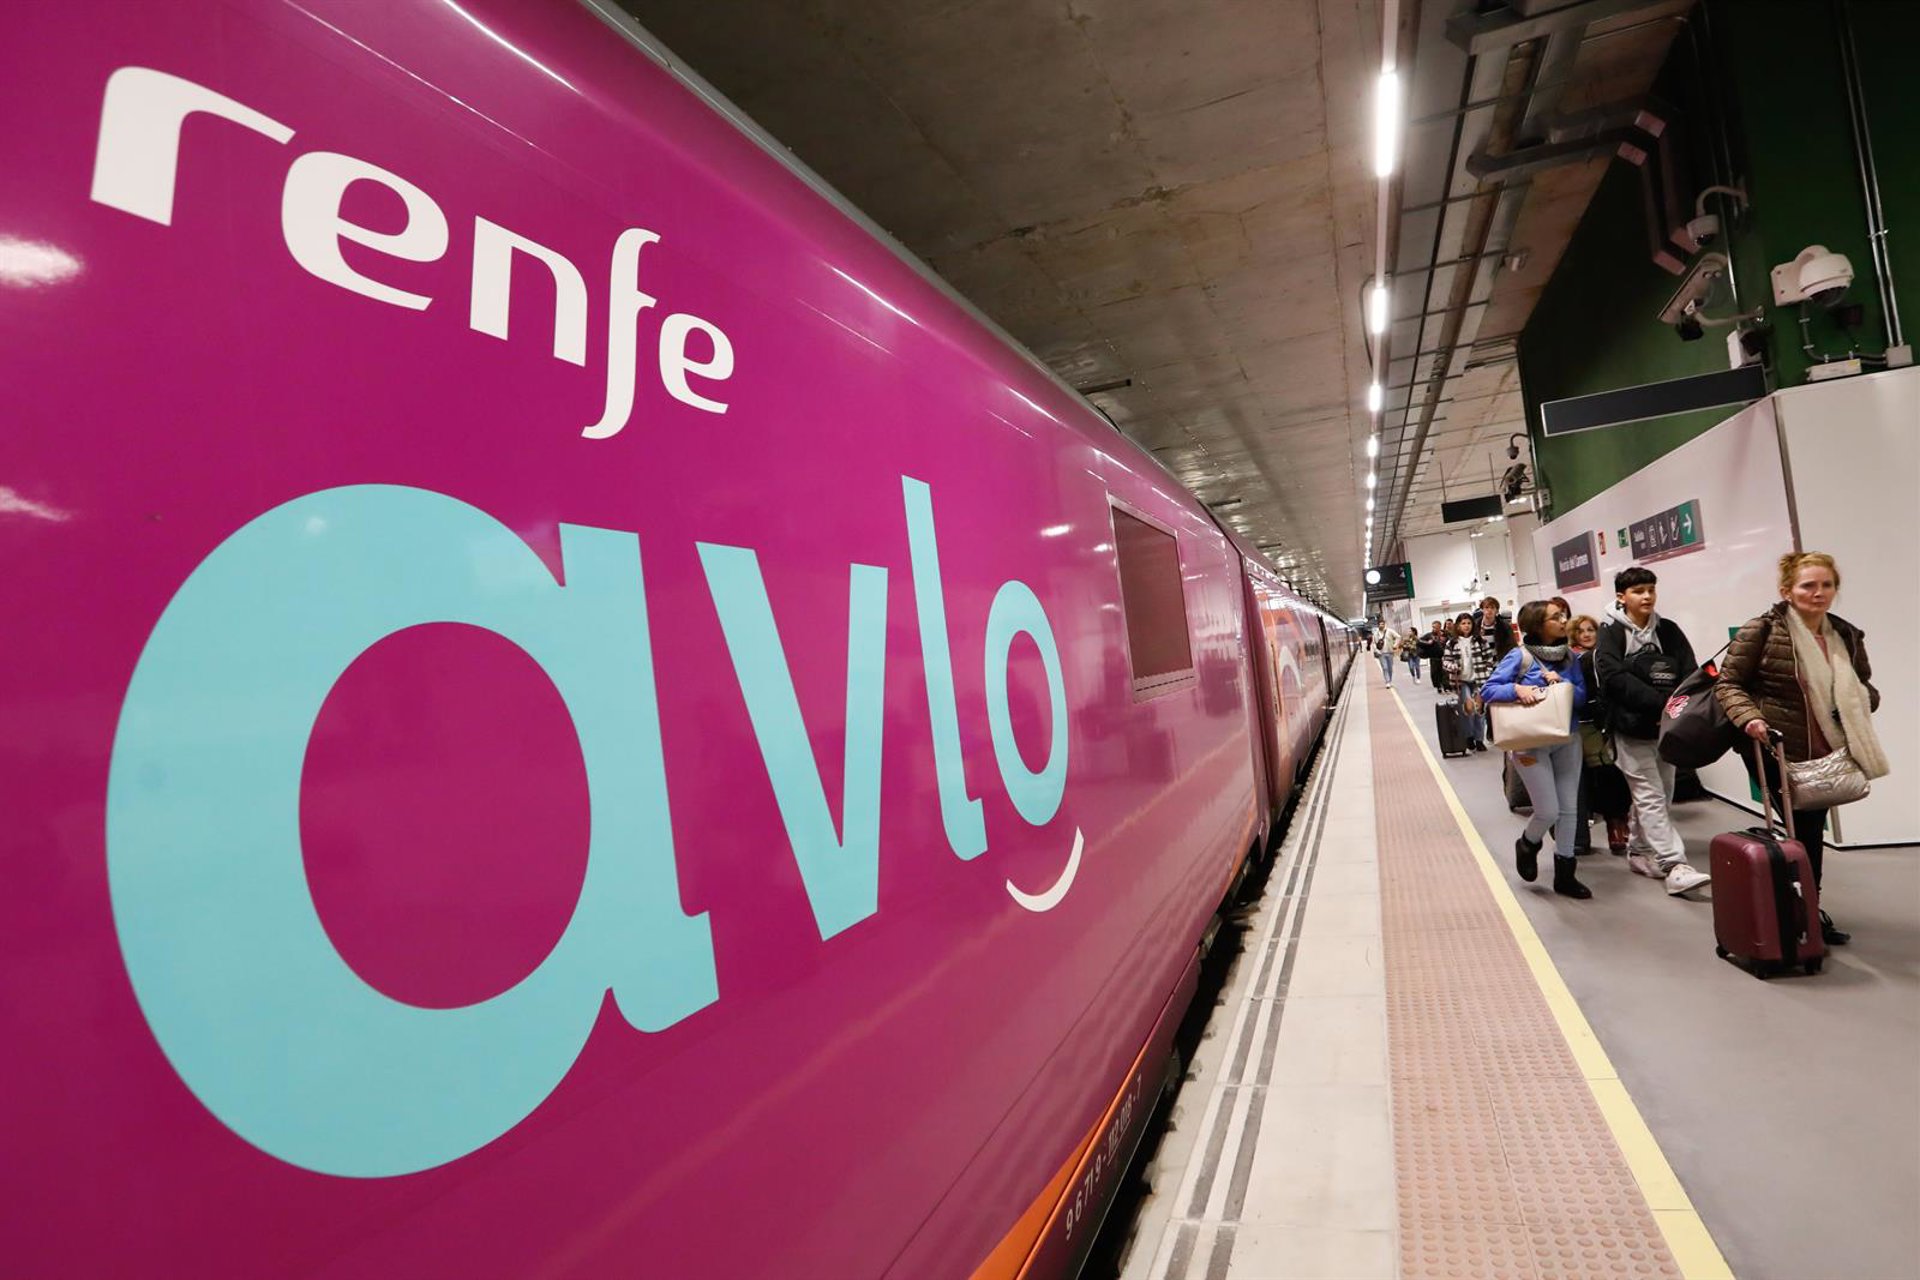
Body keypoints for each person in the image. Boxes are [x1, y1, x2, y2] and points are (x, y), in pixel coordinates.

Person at [1716, 552, 1888, 945]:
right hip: (1774, 746)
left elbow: (1865, 685)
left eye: (1827, 585)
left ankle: (1802, 908)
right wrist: (1750, 718)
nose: (1818, 592)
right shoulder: (1762, 630)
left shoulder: (1845, 634)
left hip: (1828, 750)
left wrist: (1860, 701)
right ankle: (1799, 913)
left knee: (1808, 831)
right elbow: (1728, 684)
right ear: (1787, 591)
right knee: (1804, 830)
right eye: (1808, 585)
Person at [1593, 567, 1710, 896]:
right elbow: (1613, 677)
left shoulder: (1668, 630)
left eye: (1650, 590)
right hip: (1630, 729)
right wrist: (1660, 703)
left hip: (1666, 729)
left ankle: (1639, 851)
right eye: (1638, 591)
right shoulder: (1611, 633)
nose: (1646, 596)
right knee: (1650, 794)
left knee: (1663, 793)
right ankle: (1675, 865)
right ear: (1621, 597)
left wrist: (1674, 710)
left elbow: (1690, 672)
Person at [1482, 600, 1590, 897]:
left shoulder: (1570, 658)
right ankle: (1528, 843)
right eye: (1556, 617)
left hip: (1567, 738)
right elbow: (1488, 690)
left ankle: (1565, 874)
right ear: (1538, 626)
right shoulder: (1520, 657)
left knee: (1569, 810)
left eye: (1562, 615)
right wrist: (1516, 689)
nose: (1563, 620)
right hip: (1529, 743)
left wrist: (1562, 684)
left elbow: (1582, 697)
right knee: (1548, 810)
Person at [1569, 614, 1631, 856]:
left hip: (1608, 722)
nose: (1586, 634)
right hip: (1586, 724)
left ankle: (1619, 824)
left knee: (1613, 773)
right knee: (1603, 774)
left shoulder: (1606, 656)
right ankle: (1614, 826)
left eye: (1590, 629)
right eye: (1581, 631)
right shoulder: (1573, 659)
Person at [1443, 611, 1494, 752]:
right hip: (1461, 681)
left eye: (1469, 623)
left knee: (1480, 710)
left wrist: (1488, 673)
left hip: (1479, 680)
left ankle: (1479, 739)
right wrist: (1452, 666)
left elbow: (1489, 659)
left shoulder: (1481, 641)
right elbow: (1445, 661)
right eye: (1463, 623)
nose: (1466, 626)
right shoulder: (1452, 643)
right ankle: (1469, 736)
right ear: (1458, 626)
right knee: (1468, 709)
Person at [1471, 595, 1516, 661]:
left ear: (1496, 610)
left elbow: (1512, 646)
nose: (1489, 610)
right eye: (1486, 607)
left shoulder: (1504, 626)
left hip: (1501, 663)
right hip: (1482, 663)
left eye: (1492, 607)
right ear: (1482, 609)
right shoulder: (1475, 626)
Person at [1422, 620, 1451, 691]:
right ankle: (1438, 686)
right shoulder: (1429, 635)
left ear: (1439, 627)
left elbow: (1452, 641)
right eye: (1433, 627)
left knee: (1444, 672)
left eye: (1435, 627)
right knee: (1435, 672)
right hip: (1434, 657)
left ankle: (1446, 686)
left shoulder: (1445, 634)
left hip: (1444, 656)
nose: (1434, 629)